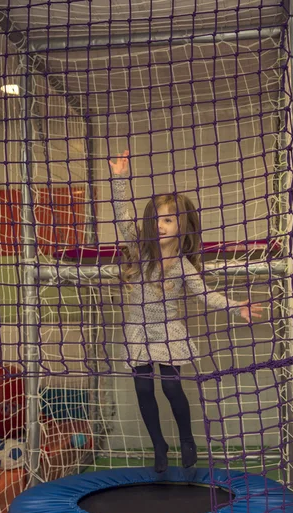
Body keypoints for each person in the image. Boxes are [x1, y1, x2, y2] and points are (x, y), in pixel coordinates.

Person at [109, 150, 262, 473]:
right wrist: (120, 179)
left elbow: (206, 295)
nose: (160, 226)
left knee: (170, 386)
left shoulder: (181, 266)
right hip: (137, 330)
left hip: (167, 330)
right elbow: (123, 216)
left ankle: (187, 438)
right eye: (156, 219)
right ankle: (159, 445)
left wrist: (238, 306)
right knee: (142, 387)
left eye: (167, 219)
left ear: (182, 226)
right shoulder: (139, 251)